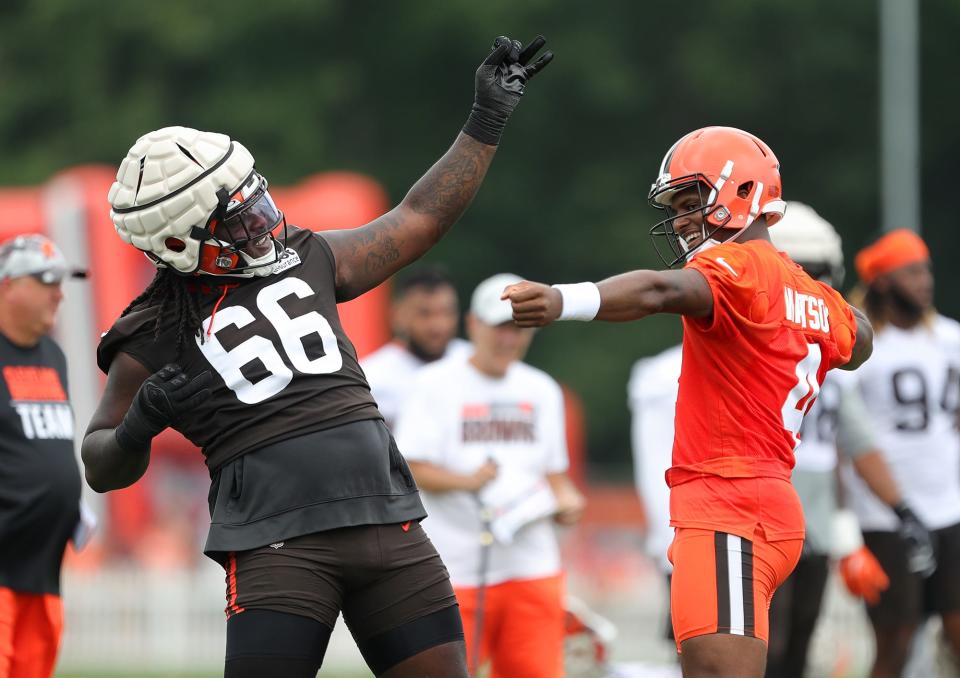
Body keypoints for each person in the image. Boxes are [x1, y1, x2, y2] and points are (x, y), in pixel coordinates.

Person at [80, 35, 554, 678]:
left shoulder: (307, 253)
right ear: (178, 241)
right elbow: (101, 464)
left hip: (387, 519)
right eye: (238, 219)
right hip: (276, 545)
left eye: (256, 201)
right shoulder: (153, 328)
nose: (263, 222)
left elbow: (418, 218)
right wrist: (141, 421)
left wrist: (486, 120)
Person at [502, 126, 874, 678]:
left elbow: (661, 290)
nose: (680, 219)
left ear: (743, 193)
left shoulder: (742, 266)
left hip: (729, 504)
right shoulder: (807, 290)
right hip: (763, 500)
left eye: (690, 200)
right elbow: (860, 340)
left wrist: (565, 299)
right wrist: (814, 308)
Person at [395, 272, 585, 678]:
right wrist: (468, 482)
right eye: (500, 327)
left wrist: (568, 502)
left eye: (519, 328)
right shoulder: (434, 384)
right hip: (454, 569)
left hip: (532, 566)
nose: (509, 339)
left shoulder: (542, 389)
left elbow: (555, 476)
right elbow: (412, 466)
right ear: (474, 325)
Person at [841, 229, 960, 678]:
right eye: (911, 271)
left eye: (926, 269)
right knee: (897, 638)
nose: (925, 280)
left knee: (955, 627)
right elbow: (847, 437)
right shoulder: (863, 347)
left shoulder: (949, 338)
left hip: (949, 505)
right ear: (883, 282)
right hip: (884, 514)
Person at [0, 234, 86, 678]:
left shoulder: (54, 356)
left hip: (44, 568)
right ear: (9, 285)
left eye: (62, 281)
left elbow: (48, 441)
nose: (59, 292)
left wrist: (72, 501)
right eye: (46, 280)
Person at [362, 266, 471, 430]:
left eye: (446, 312)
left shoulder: (474, 362)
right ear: (398, 315)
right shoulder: (371, 378)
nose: (437, 325)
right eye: (424, 313)